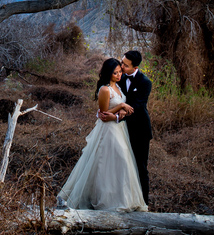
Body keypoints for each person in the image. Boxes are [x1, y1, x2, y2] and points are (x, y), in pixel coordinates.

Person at [57, 58, 148, 212]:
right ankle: (104, 199)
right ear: (108, 73)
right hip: (108, 130)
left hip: (120, 129)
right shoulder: (105, 90)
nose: (119, 75)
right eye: (115, 73)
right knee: (108, 161)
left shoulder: (118, 86)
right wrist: (120, 105)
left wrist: (122, 111)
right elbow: (103, 113)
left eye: (120, 72)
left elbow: (120, 110)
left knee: (121, 162)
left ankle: (123, 198)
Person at [109, 50, 152, 204]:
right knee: (122, 164)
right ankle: (125, 199)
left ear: (135, 67)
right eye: (122, 62)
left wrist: (121, 111)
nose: (122, 66)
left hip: (140, 130)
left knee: (140, 167)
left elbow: (138, 105)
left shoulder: (145, 82)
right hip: (120, 129)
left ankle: (144, 203)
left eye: (126, 65)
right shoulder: (118, 77)